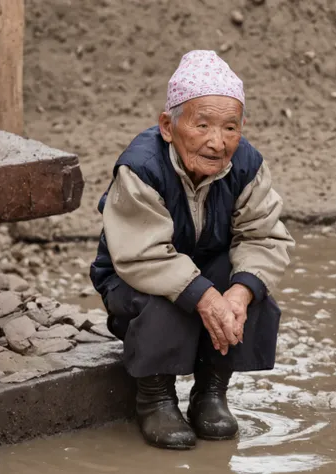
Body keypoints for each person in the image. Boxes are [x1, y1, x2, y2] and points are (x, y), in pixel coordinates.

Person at [90, 50, 295, 450]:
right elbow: (142, 254)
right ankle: (155, 398)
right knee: (165, 303)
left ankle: (211, 393)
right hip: (134, 279)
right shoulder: (141, 168)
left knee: (249, 292)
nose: (217, 143)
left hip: (202, 270)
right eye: (201, 125)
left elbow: (263, 236)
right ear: (168, 126)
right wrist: (202, 296)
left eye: (230, 128)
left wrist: (239, 291)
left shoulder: (247, 165)